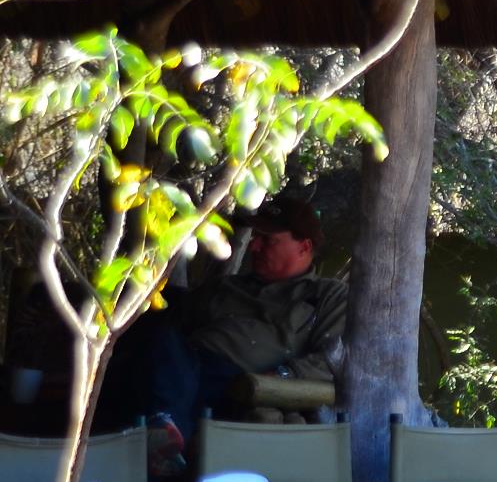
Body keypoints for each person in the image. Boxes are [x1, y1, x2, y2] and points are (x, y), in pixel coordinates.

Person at [99, 193, 348, 453]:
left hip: (241, 384)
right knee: (156, 340)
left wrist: (285, 376)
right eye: (254, 237)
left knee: (155, 385)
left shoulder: (326, 296)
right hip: (184, 369)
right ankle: (159, 438)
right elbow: (169, 328)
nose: (255, 246)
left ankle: (163, 430)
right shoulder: (225, 287)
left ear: (304, 247)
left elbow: (332, 359)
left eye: (267, 240)